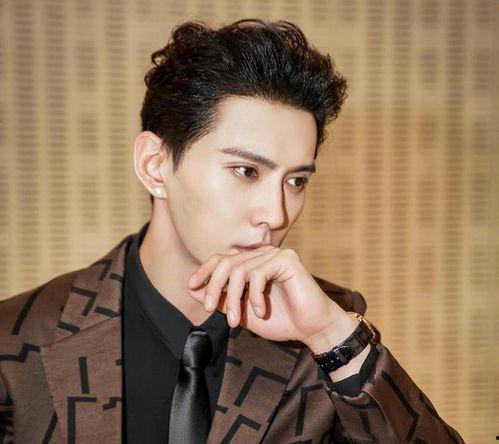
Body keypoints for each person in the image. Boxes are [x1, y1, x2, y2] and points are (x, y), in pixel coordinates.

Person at [0, 18, 464, 444]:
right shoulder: (17, 341)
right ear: (155, 165)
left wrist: (331, 337)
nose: (277, 214)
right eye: (246, 171)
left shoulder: (325, 334)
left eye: (296, 181)